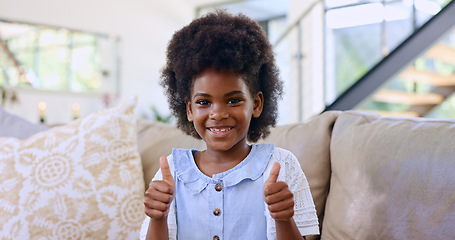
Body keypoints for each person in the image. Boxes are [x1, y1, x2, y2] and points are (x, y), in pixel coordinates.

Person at [140, 10, 319, 240]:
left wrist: (284, 219)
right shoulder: (173, 171)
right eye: (204, 102)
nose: (218, 113)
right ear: (189, 109)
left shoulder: (281, 166)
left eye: (233, 100)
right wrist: (158, 218)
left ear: (256, 104)